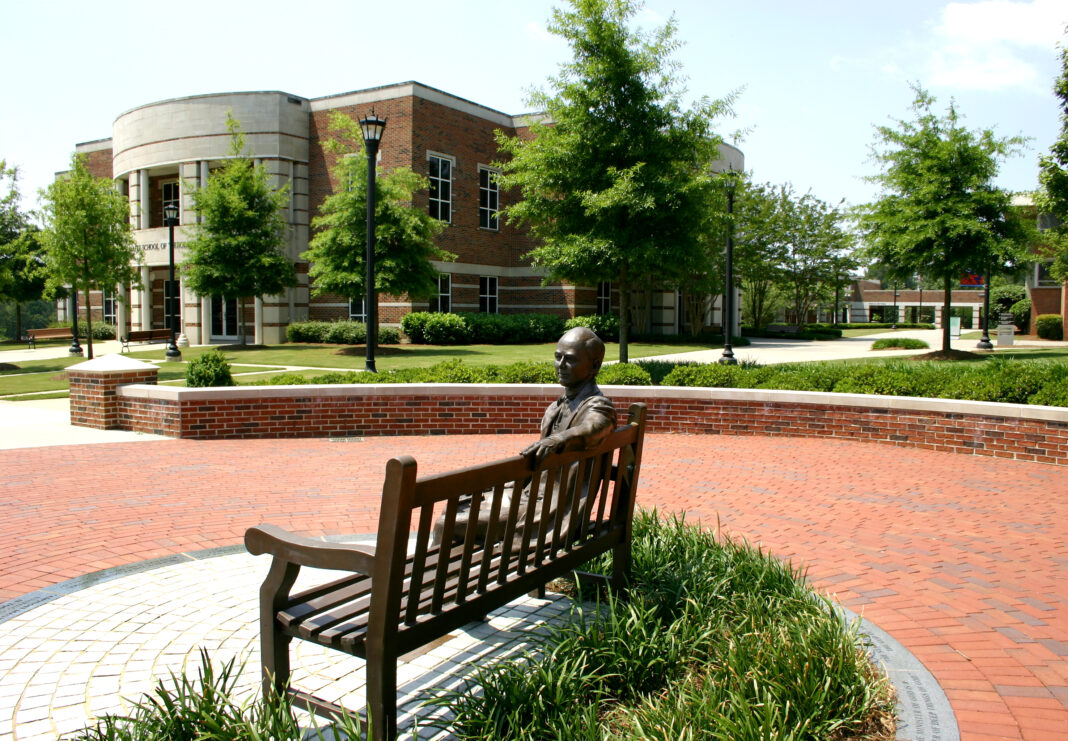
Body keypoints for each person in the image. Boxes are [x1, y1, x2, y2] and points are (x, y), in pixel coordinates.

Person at [433, 326, 617, 545]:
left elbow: (594, 426)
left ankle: (434, 577)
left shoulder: (597, 406)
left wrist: (558, 439)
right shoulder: (557, 406)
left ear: (594, 366)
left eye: (571, 360)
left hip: (548, 508)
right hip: (530, 493)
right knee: (461, 504)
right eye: (558, 357)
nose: (561, 365)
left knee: (447, 524)